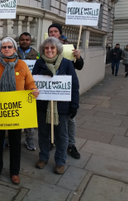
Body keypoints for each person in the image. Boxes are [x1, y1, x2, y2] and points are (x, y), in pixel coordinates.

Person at [0, 37, 39, 184]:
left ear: (14, 49)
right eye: (4, 47)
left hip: (16, 112)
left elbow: (30, 83)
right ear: (1, 50)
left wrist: (33, 90)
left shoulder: (22, 65)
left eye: (9, 47)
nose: (6, 49)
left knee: (15, 142)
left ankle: (14, 172)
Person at [32, 37, 79, 174]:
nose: (49, 50)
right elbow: (32, 83)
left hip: (62, 107)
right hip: (42, 105)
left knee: (62, 136)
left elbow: (74, 86)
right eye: (46, 48)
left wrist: (74, 105)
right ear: (43, 50)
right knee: (43, 133)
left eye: (52, 48)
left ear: (58, 49)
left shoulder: (66, 64)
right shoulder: (39, 63)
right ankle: (43, 157)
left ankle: (60, 161)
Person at [48, 23, 83, 159]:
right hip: (50, 88)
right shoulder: (46, 47)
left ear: (60, 33)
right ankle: (52, 140)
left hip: (65, 89)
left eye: (55, 31)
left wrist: (78, 57)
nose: (53, 33)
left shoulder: (69, 47)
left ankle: (71, 144)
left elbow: (79, 66)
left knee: (69, 119)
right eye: (50, 31)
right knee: (51, 115)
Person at [17, 32, 39, 151]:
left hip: (29, 90)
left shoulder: (36, 54)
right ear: (19, 41)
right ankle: (14, 139)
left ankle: (29, 139)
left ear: (30, 41)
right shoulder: (13, 53)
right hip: (16, 89)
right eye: (22, 40)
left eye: (27, 40)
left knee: (29, 117)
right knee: (16, 115)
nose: (24, 41)